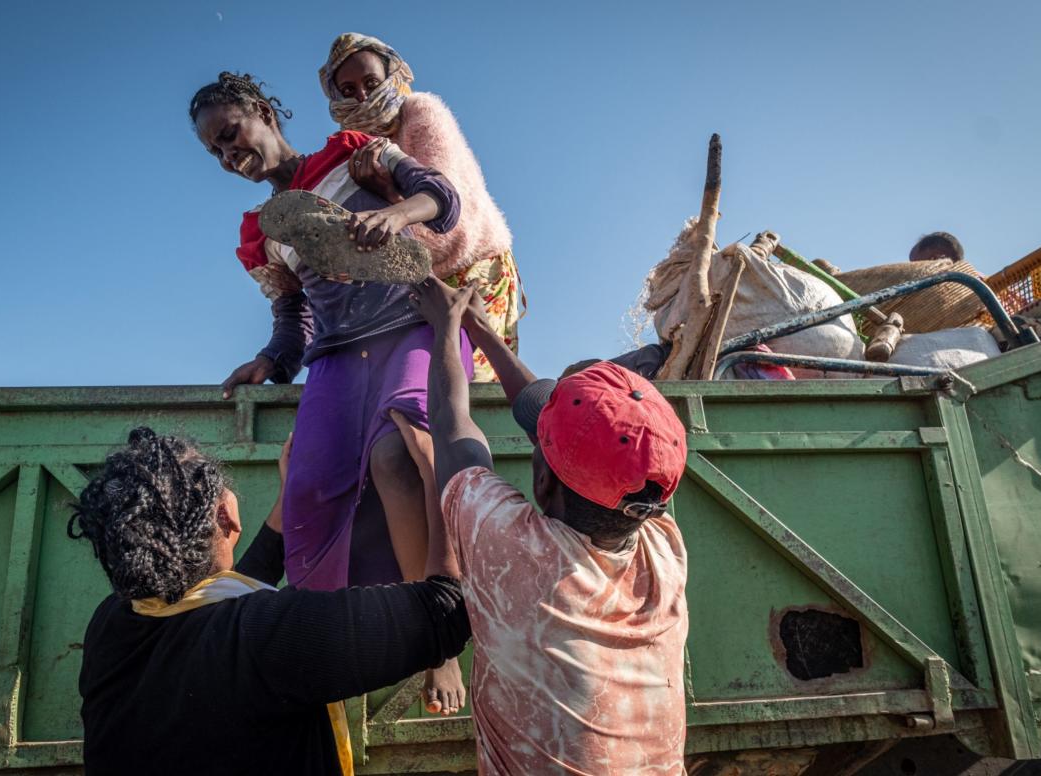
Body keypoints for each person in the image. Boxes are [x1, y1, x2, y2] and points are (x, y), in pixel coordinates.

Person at [189, 71, 469, 712]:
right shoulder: (259, 230)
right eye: (216, 153)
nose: (230, 156)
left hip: (413, 325)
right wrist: (269, 361)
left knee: (398, 458)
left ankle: (439, 644)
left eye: (231, 135)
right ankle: (338, 647)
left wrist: (397, 213)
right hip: (340, 356)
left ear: (262, 111)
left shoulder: (351, 151)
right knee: (309, 493)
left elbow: (441, 199)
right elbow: (296, 319)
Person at [67, 427, 470, 776]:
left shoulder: (112, 624)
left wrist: (286, 502)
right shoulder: (269, 640)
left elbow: (220, 606)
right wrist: (437, 477)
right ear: (227, 519)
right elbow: (446, 611)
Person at [411, 279, 692, 774]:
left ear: (541, 484)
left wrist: (447, 324)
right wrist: (480, 327)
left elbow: (452, 425)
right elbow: (550, 419)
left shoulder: (515, 551)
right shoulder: (664, 547)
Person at [320, 33, 522, 382]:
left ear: (391, 77)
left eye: (371, 82)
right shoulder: (350, 150)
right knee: (421, 387)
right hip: (419, 283)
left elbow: (449, 207)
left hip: (474, 268)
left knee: (465, 384)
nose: (363, 96)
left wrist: (390, 201)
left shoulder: (421, 111)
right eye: (349, 90)